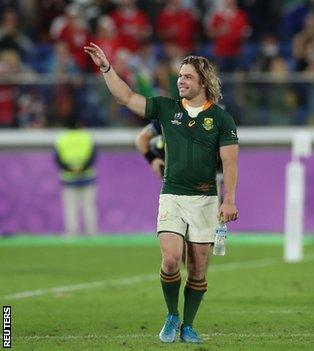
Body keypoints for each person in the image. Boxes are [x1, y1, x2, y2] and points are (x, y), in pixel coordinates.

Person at [84, 42, 239, 344]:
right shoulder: (167, 109)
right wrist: (106, 68)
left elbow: (231, 163)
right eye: (180, 76)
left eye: (188, 77)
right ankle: (172, 314)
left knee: (197, 269)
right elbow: (127, 97)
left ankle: (189, 325)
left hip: (206, 200)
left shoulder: (222, 120)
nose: (180, 81)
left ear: (203, 82)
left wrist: (229, 199)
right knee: (170, 260)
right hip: (172, 196)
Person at [54, 118, 98, 236]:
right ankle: (91, 232)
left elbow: (57, 158)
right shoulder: (86, 136)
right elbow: (93, 155)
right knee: (88, 205)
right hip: (86, 175)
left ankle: (72, 232)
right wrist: (82, 168)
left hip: (68, 177)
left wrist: (70, 169)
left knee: (70, 207)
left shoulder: (62, 138)